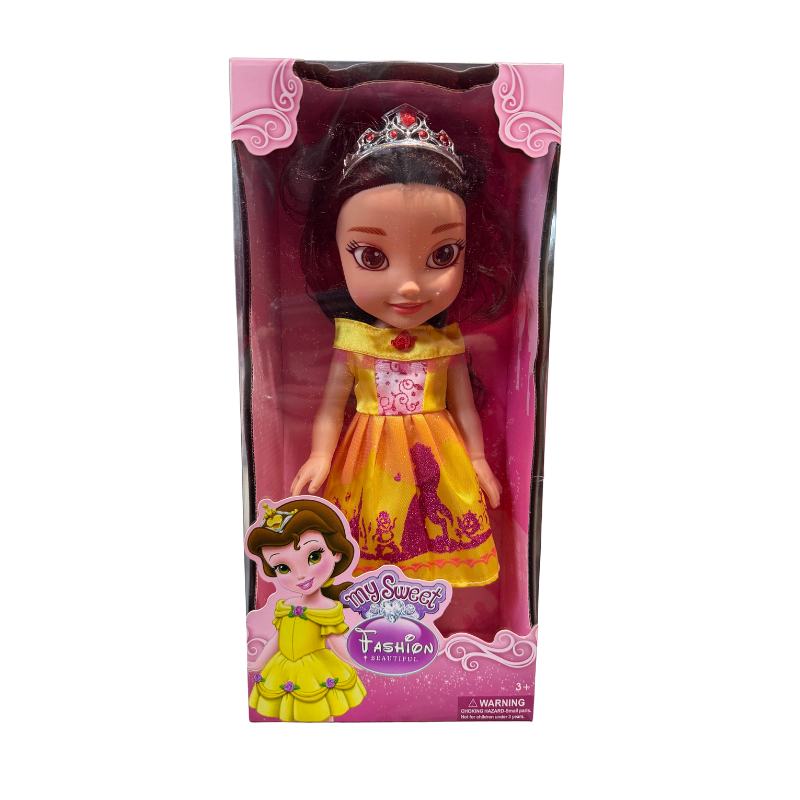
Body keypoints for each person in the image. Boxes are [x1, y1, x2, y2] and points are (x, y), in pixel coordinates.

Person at [283, 105, 519, 587]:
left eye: (442, 254)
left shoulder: (446, 342)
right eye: (372, 257)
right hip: (369, 454)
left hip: (439, 451)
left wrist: (477, 460)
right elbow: (331, 407)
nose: (409, 286)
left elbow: (464, 407)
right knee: (379, 527)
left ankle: (425, 599)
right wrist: (321, 455)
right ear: (335, 253)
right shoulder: (355, 340)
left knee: (437, 524)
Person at [246, 498, 367, 722]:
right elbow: (277, 638)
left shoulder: (327, 608)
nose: (301, 575)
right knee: (290, 713)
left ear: (336, 552)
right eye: (283, 567)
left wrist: (358, 661)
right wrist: (260, 662)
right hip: (283, 668)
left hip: (316, 669)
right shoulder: (286, 606)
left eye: (314, 556)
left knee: (321, 710)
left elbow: (337, 641)